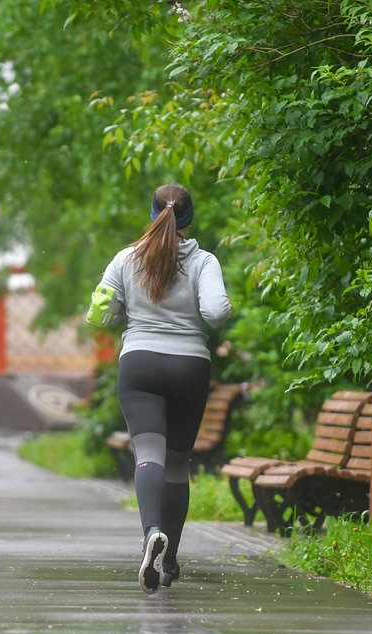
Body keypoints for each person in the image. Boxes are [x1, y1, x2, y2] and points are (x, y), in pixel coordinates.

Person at [87, 183, 231, 594]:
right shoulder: (204, 262)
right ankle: (168, 561)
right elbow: (217, 312)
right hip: (189, 367)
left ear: (153, 214)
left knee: (147, 455)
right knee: (176, 464)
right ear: (190, 219)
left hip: (140, 366)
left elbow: (100, 315)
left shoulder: (126, 259)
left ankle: (151, 532)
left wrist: (119, 308)